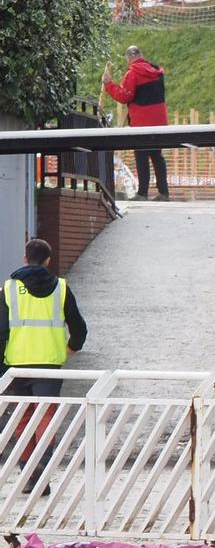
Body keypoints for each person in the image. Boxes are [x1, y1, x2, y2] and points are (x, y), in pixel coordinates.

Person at [1, 238, 88, 396]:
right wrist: (73, 346)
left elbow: (1, 331)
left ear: (25, 259)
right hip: (50, 364)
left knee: (20, 418)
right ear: (48, 260)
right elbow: (78, 326)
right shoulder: (61, 288)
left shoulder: (9, 288)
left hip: (17, 363)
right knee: (46, 417)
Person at [102, 45, 169, 200]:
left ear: (129, 58)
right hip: (159, 120)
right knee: (157, 156)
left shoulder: (132, 73)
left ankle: (142, 193)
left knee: (141, 155)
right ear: (141, 55)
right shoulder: (157, 71)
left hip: (141, 122)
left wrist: (108, 84)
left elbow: (124, 96)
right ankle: (164, 192)